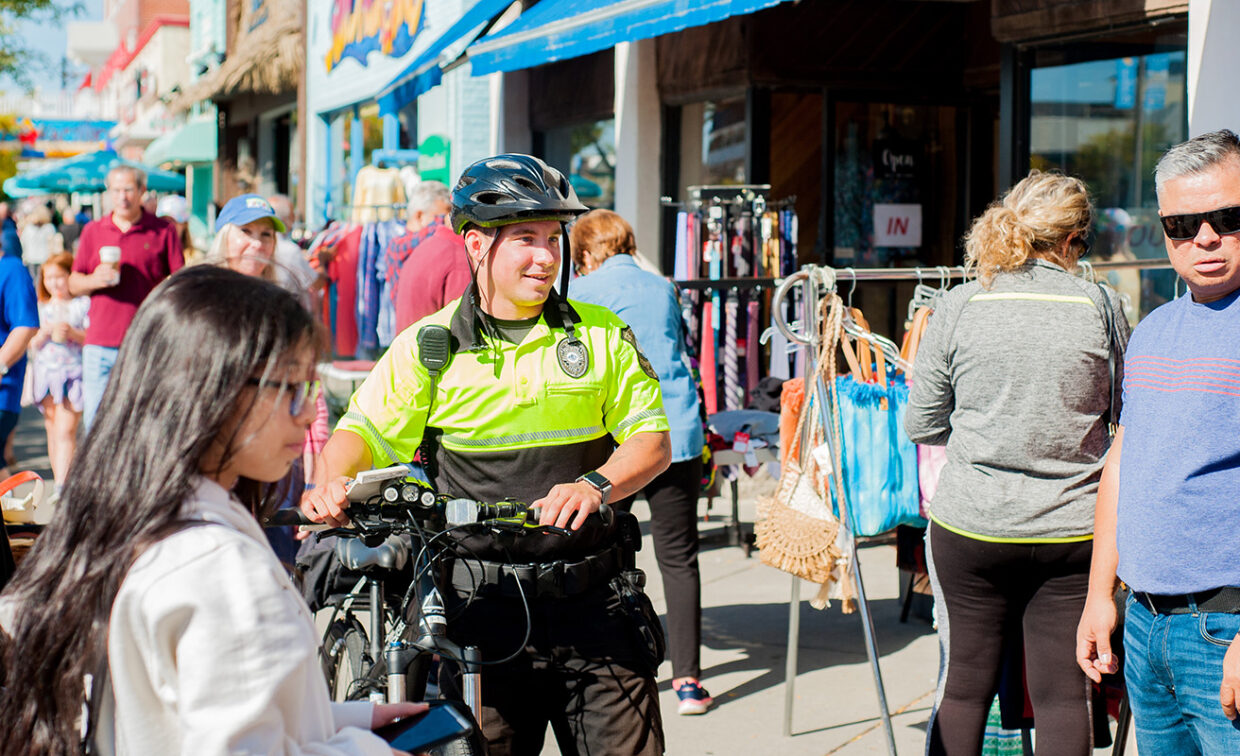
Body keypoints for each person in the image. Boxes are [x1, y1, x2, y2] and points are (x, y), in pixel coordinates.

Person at [303, 154, 673, 756]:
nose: (546, 257)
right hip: (480, 617)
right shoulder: (430, 345)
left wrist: (595, 485)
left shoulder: (601, 333)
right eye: (526, 239)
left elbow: (652, 441)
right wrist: (330, 482)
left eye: (554, 238)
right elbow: (361, 432)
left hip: (598, 611)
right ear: (477, 245)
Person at [0, 266, 423, 754]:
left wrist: (351, 717)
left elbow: (182, 710)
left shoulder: (129, 516)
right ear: (213, 392)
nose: (309, 413)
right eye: (291, 389)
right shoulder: (218, 566)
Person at [905, 170, 1128, 755]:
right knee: (1063, 695)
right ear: (1073, 239)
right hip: (1073, 529)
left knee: (962, 689)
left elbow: (921, 424)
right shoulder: (1101, 305)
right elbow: (1127, 418)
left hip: (971, 524)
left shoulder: (961, 303)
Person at [1076, 129, 1240, 756]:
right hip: (1146, 626)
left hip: (1225, 630)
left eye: (1227, 218)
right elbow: (1124, 464)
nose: (1204, 238)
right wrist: (1099, 597)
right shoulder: (1153, 329)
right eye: (1183, 224)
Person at [568, 208, 712, 715]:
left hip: (622, 442)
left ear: (585, 253)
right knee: (680, 556)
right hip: (679, 433)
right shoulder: (664, 288)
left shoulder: (582, 293)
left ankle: (623, 662)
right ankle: (689, 681)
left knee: (612, 551)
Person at [70, 165, 184, 429]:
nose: (123, 197)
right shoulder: (93, 230)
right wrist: (93, 280)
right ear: (108, 193)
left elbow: (180, 283)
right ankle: (99, 472)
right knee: (97, 424)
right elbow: (73, 283)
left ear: (142, 191)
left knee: (143, 423)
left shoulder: (162, 231)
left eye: (129, 190)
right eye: (117, 190)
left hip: (147, 340)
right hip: (99, 342)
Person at [29, 252, 89, 499]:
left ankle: (63, 485)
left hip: (73, 373)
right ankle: (60, 480)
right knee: (52, 429)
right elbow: (30, 343)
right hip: (46, 376)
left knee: (66, 430)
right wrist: (41, 335)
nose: (54, 283)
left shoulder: (81, 305)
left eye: (60, 277)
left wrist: (74, 334)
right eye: (49, 278)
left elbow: (93, 338)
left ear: (70, 276)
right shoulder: (41, 307)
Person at [389, 180, 470, 334]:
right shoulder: (412, 245)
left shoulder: (399, 244)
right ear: (419, 215)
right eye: (443, 215)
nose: (449, 219)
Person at [207, 194, 285, 280]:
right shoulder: (199, 291)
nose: (258, 244)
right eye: (246, 230)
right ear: (223, 237)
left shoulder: (278, 292)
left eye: (266, 234)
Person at [269, 193, 323, 312]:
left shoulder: (280, 247)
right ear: (287, 219)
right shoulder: (290, 250)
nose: (294, 220)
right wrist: (323, 265)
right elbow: (315, 283)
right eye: (293, 215)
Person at [156, 194, 197, 262]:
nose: (167, 228)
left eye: (172, 221)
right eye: (163, 221)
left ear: (184, 224)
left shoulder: (195, 259)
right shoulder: (152, 254)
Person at [19, 205, 55, 281]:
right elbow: (53, 244)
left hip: (31, 259)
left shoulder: (28, 228)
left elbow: (23, 243)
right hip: (44, 258)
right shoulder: (49, 228)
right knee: (42, 282)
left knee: (33, 281)